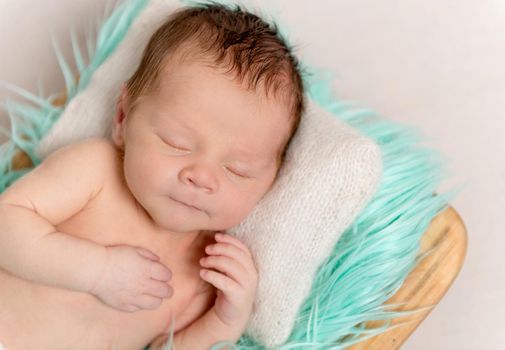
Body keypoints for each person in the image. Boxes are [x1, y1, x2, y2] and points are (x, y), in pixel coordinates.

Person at [0, 2, 304, 349]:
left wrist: (226, 319)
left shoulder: (205, 273)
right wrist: (98, 270)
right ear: (122, 117)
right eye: (177, 143)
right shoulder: (95, 172)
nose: (201, 177)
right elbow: (6, 224)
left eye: (238, 170)